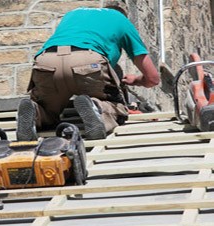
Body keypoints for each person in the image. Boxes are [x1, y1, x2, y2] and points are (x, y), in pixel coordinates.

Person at [16, 0, 160, 141]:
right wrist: (135, 80)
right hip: (88, 62)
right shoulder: (121, 20)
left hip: (46, 61)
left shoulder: (73, 14)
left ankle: (35, 112)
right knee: (117, 107)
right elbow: (153, 79)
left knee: (47, 109)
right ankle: (97, 108)